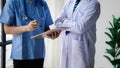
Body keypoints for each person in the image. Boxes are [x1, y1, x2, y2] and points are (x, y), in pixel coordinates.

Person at [0, 0, 59, 68]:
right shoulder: (13, 2)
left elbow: (46, 28)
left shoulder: (42, 3)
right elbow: (7, 29)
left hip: (38, 53)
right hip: (21, 54)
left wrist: (52, 34)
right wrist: (26, 28)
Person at [55, 0, 100, 68]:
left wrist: (64, 21)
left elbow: (80, 28)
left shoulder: (93, 4)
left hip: (82, 49)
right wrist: (72, 24)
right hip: (66, 44)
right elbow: (57, 22)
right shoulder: (69, 2)